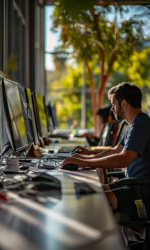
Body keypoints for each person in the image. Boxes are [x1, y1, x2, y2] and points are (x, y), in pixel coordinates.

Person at [61, 82, 150, 216]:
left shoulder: (141, 125)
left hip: (142, 193)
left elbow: (123, 159)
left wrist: (84, 162)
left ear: (124, 104)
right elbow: (115, 150)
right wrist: (87, 155)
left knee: (90, 199)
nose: (112, 109)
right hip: (133, 186)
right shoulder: (134, 125)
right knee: (87, 191)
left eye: (114, 104)